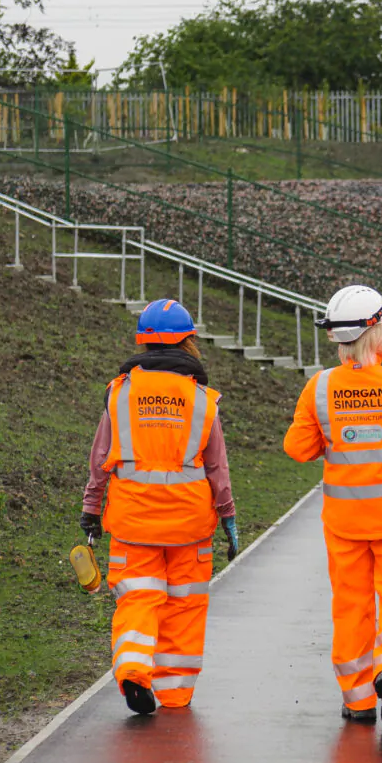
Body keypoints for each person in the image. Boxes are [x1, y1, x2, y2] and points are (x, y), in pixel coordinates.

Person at [284, 283, 382, 729]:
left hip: (345, 522)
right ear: (373, 332)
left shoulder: (319, 388)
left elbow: (297, 448)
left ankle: (357, 702)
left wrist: (336, 433)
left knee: (351, 607)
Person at [79, 298, 239, 714]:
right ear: (189, 342)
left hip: (133, 522)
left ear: (143, 343)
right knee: (184, 606)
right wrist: (229, 517)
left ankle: (133, 667)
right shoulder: (202, 399)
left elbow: (100, 458)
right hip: (190, 526)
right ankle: (176, 695)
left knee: (138, 598)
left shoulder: (119, 394)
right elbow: (216, 466)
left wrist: (92, 508)